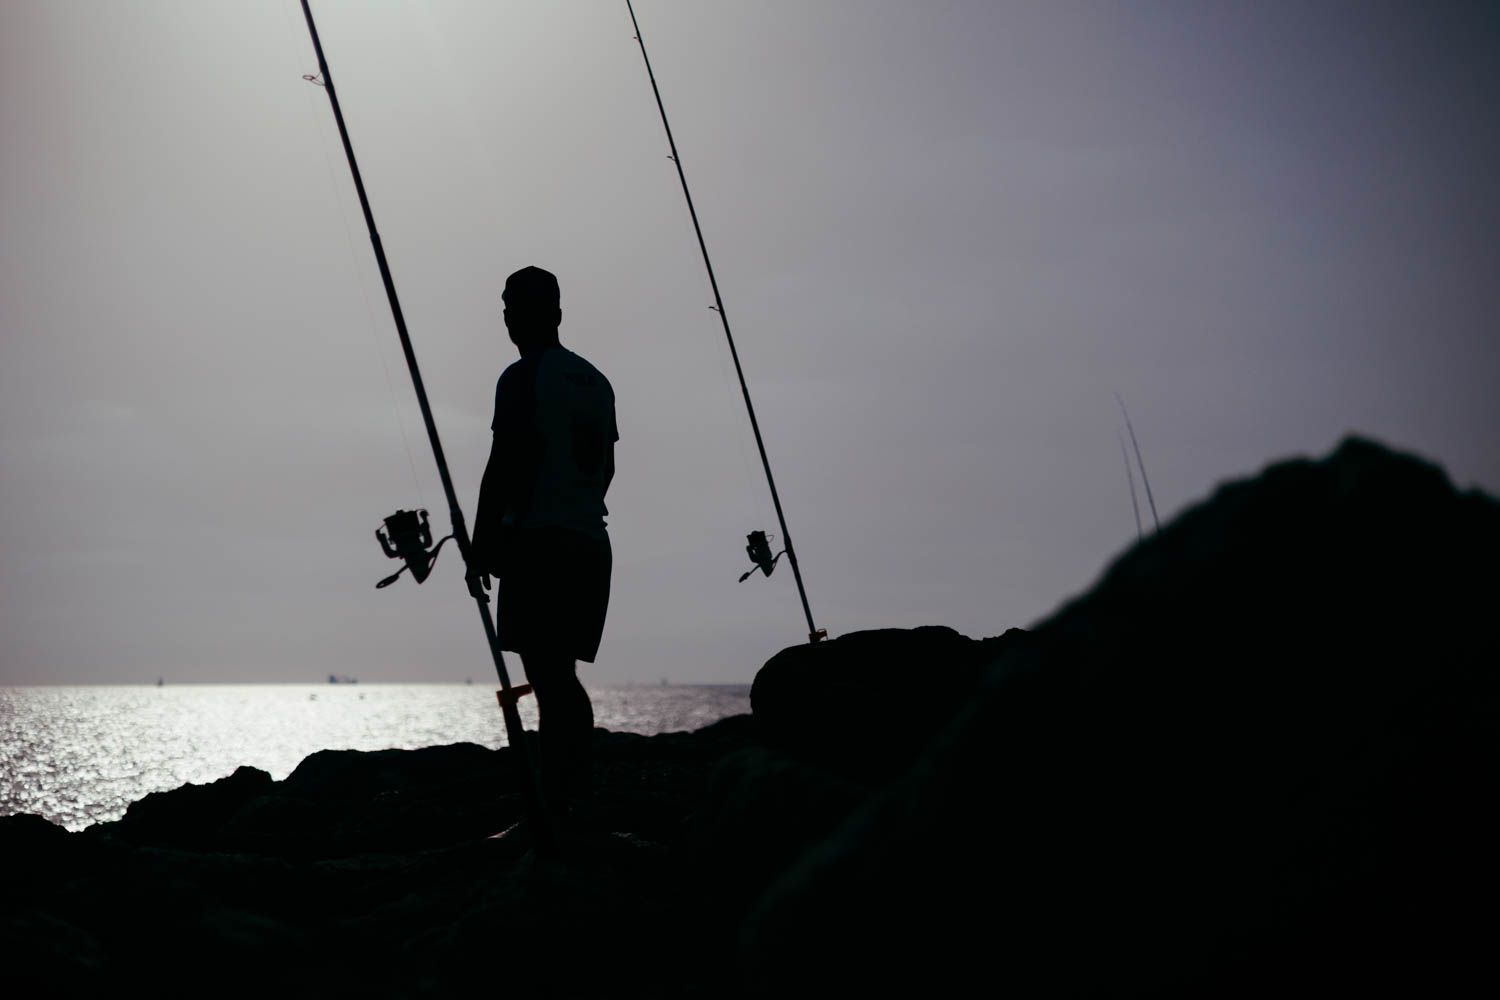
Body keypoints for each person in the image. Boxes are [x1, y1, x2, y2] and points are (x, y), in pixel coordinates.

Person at [467, 265, 617, 820]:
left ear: (545, 313)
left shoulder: (520, 377)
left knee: (551, 682)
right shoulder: (597, 381)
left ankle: (559, 809)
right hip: (590, 545)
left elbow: (503, 462)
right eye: (505, 306)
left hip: (543, 545)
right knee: (562, 680)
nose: (508, 317)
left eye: (514, 306)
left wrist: (483, 544)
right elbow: (607, 469)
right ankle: (572, 798)